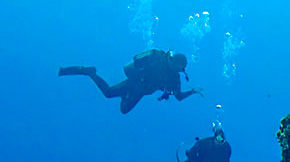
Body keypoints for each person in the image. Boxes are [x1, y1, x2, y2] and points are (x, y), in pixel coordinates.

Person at [58, 49, 202, 114]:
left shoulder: (174, 77)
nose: (179, 71)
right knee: (113, 98)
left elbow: (178, 97)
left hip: (139, 87)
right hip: (137, 84)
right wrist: (192, 91)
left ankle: (90, 73)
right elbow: (179, 97)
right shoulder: (160, 60)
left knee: (117, 102)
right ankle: (89, 72)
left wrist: (192, 91)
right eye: (179, 68)